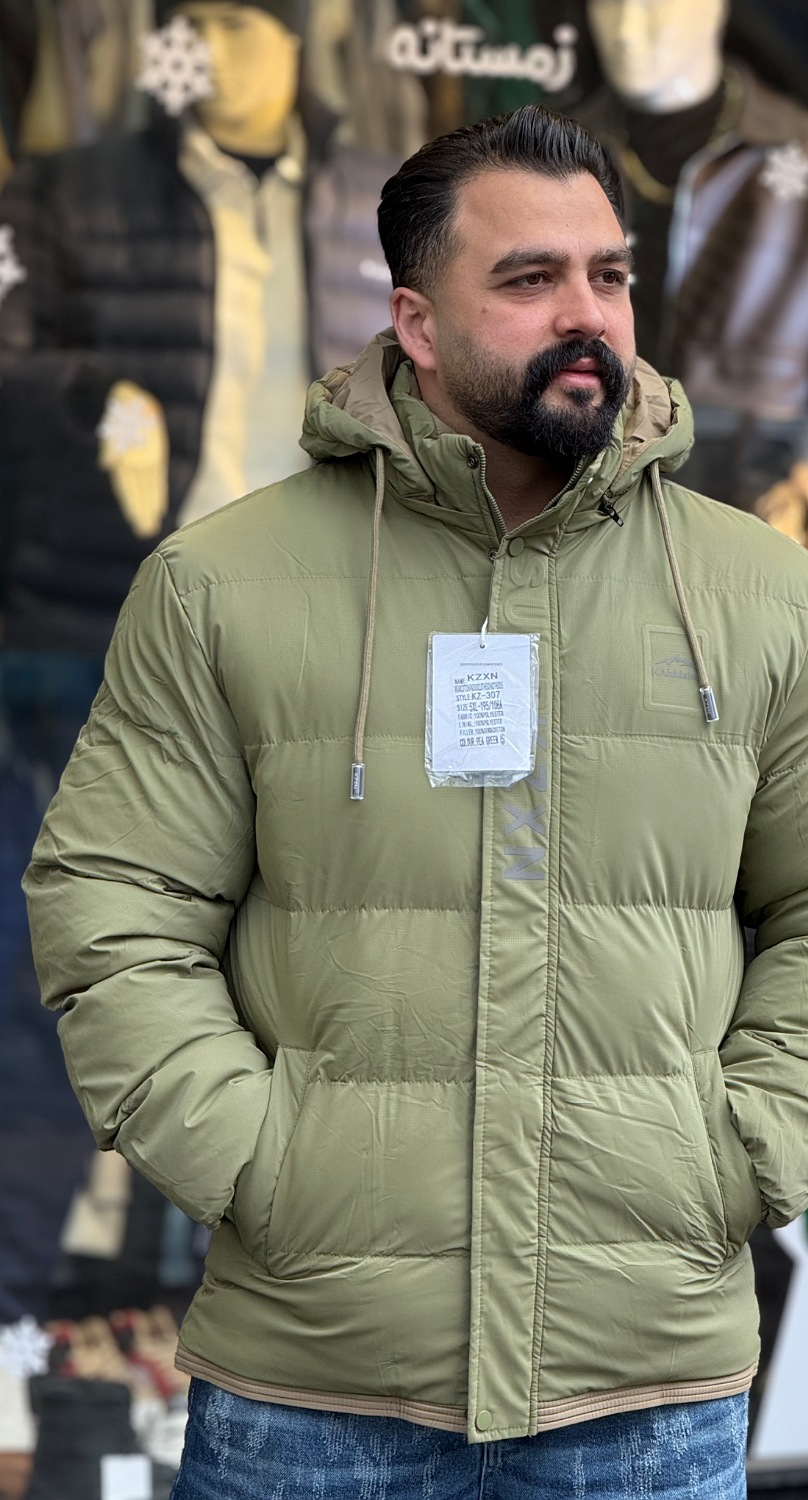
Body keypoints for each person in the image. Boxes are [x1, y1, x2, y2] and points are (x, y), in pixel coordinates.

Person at [25, 105, 808, 1497]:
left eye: (609, 275)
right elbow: (112, 908)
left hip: (645, 1395)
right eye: (529, 279)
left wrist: (743, 1154)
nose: (587, 315)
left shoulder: (768, 599)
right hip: (312, 1385)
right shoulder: (220, 587)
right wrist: (265, 1169)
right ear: (418, 323)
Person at [0, 0, 395, 1320]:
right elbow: (12, 344)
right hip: (114, 632)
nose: (208, 50)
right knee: (80, 956)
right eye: (193, 22)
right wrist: (95, 396)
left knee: (297, 973)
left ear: (298, 35)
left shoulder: (379, 201)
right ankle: (39, 1296)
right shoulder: (85, 193)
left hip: (330, 641)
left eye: (236, 20)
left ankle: (235, 1293)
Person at [575, 0, 808, 552]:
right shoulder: (552, 159)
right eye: (611, 3)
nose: (630, 29)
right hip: (579, 539)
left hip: (742, 541)